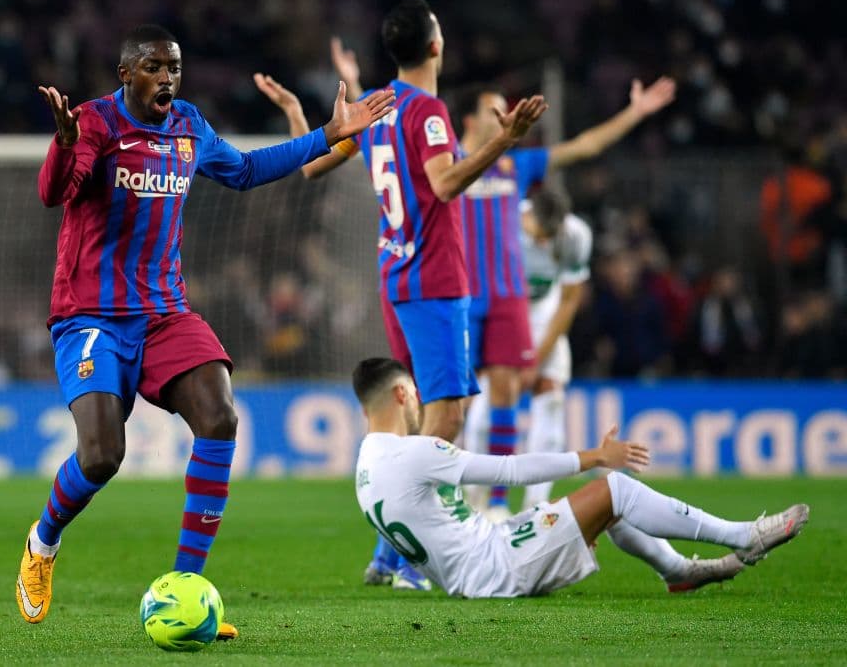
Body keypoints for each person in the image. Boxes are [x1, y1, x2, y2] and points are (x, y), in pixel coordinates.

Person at [16, 23, 395, 630]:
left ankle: (187, 587)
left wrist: (329, 135)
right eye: (154, 67)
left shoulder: (189, 125)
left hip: (164, 313)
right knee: (101, 457)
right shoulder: (92, 123)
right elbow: (52, 193)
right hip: (92, 316)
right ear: (125, 74)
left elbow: (244, 170)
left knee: (220, 417)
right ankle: (43, 540)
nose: (166, 78)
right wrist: (63, 142)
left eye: (174, 68)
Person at [255, 0, 547, 590]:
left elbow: (312, 166)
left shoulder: (378, 106)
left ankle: (391, 554)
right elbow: (443, 183)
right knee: (447, 418)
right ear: (436, 45)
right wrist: (504, 142)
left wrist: (295, 115)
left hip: (396, 277)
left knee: (418, 417)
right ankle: (411, 555)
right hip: (434, 280)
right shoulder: (429, 112)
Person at [328, 32, 675, 518]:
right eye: (494, 109)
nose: (504, 117)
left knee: (506, 391)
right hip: (455, 292)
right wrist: (356, 85)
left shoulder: (514, 163)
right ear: (470, 118)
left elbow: (582, 147)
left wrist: (634, 114)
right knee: (451, 408)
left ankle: (495, 503)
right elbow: (389, 125)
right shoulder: (441, 157)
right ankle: (452, 495)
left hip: (506, 294)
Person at [352, 357, 809, 598]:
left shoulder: (364, 472)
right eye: (414, 395)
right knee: (615, 488)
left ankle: (678, 572)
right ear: (401, 393)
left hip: (480, 563)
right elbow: (510, 470)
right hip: (496, 566)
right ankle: (743, 536)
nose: (418, 405)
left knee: (605, 508)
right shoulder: (413, 453)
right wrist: (594, 456)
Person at [467, 188, 593, 511]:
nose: (543, 243)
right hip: (501, 305)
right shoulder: (500, 223)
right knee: (494, 393)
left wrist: (534, 360)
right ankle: (477, 498)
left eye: (551, 235)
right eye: (539, 234)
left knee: (551, 395)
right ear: (528, 216)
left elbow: (568, 300)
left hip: (543, 311)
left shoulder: (576, 236)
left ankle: (536, 505)